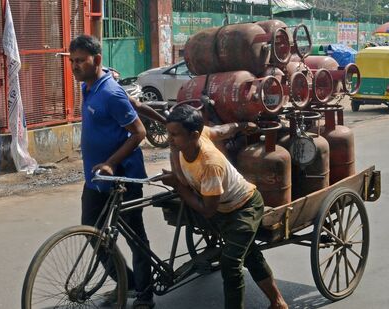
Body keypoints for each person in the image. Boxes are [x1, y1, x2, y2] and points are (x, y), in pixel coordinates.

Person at [160, 104, 288, 309]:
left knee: (230, 264)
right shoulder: (195, 138)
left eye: (175, 134)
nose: (169, 139)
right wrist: (242, 125)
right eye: (169, 133)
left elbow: (207, 209)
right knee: (250, 254)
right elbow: (221, 131)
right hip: (223, 207)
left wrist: (177, 184)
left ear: (194, 135)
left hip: (244, 206)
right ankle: (278, 302)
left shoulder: (210, 164)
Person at [68, 35, 155, 309]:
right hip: (95, 181)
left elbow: (139, 132)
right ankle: (126, 282)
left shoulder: (111, 93)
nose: (75, 66)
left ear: (97, 60)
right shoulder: (88, 86)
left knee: (134, 237)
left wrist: (111, 162)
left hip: (122, 179)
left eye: (81, 60)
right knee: (92, 231)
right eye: (72, 61)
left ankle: (145, 295)